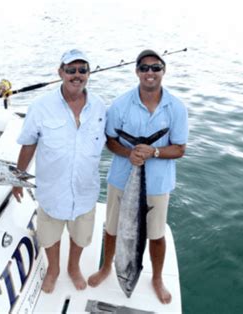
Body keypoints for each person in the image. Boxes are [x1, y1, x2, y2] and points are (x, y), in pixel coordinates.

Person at [87, 49, 188, 304]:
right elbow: (110, 140)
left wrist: (153, 151)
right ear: (137, 72)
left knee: (155, 234)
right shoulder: (120, 104)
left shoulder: (176, 108)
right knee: (111, 229)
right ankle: (106, 267)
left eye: (155, 67)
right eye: (144, 68)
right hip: (122, 179)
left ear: (163, 71)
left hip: (157, 184)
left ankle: (156, 278)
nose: (150, 72)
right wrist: (128, 152)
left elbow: (179, 148)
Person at [12, 49, 106, 293]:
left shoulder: (100, 107)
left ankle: (73, 267)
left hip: (85, 191)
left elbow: (112, 141)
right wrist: (17, 179)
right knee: (50, 236)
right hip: (52, 191)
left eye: (82, 70)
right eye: (71, 70)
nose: (77, 75)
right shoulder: (40, 106)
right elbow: (29, 143)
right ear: (60, 72)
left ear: (89, 73)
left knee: (80, 234)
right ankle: (53, 269)